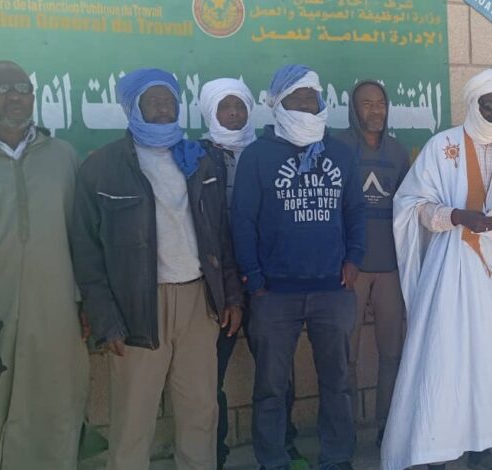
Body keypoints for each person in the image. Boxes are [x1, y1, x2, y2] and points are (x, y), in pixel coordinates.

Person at [71, 68, 243, 470]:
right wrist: (105, 319)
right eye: (154, 101)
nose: (165, 108)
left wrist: (232, 295)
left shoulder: (198, 159)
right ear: (134, 108)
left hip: (199, 301)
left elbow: (220, 234)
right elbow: (86, 251)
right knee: (134, 417)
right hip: (137, 306)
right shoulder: (103, 167)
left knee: (200, 410)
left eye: (170, 100)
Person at [382, 69, 492, 470]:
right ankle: (435, 451)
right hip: (453, 269)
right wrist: (458, 216)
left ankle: (484, 448)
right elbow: (412, 205)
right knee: (447, 358)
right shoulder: (442, 146)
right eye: (490, 107)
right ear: (473, 105)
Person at [231, 64, 365, 470]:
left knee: (338, 383)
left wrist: (354, 259)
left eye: (312, 96)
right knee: (271, 388)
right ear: (278, 104)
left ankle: (337, 458)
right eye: (297, 97)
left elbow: (355, 211)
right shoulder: (257, 155)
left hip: (332, 290)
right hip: (274, 294)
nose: (306, 103)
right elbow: (242, 221)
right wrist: (255, 280)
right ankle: (273, 460)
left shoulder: (340, 153)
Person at [198, 78, 306, 470]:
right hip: (218, 283)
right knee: (209, 374)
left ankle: (283, 445)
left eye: (240, 106)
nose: (234, 114)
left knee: (277, 371)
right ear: (210, 112)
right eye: (225, 107)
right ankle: (214, 453)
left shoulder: (268, 151)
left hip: (264, 279)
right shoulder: (196, 157)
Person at [0, 60, 89, 469]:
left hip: (57, 305)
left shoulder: (63, 155)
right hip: (0, 304)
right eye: (2, 89)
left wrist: (86, 301)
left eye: (22, 89)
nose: (14, 97)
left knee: (55, 399)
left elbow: (82, 235)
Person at [337, 79, 410, 445]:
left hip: (390, 268)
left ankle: (388, 428)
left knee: (392, 353)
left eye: (380, 102)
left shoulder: (398, 152)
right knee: (344, 355)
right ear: (354, 109)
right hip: (349, 269)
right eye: (367, 103)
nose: (375, 110)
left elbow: (409, 207)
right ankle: (344, 432)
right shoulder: (337, 147)